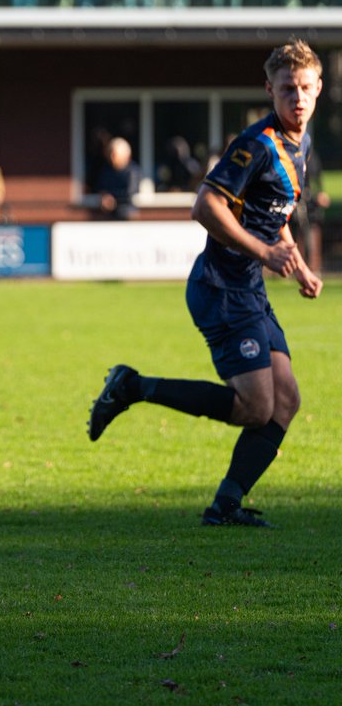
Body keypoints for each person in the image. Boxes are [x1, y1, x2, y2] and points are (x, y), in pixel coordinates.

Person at [88, 40, 325, 529]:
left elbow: (271, 212)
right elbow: (205, 207)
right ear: (270, 90)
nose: (297, 98)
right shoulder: (257, 144)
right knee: (256, 407)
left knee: (287, 401)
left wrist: (297, 263)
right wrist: (265, 254)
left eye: (305, 88)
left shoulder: (299, 146)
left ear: (319, 88)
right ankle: (133, 387)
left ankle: (226, 505)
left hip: (248, 290)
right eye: (287, 89)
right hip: (220, 288)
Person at [95, 137, 141, 220]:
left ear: (124, 155)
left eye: (114, 155)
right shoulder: (107, 171)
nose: (111, 158)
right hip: (109, 216)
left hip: (127, 215)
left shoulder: (132, 172)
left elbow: (130, 193)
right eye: (110, 154)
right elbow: (100, 187)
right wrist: (104, 196)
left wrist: (112, 199)